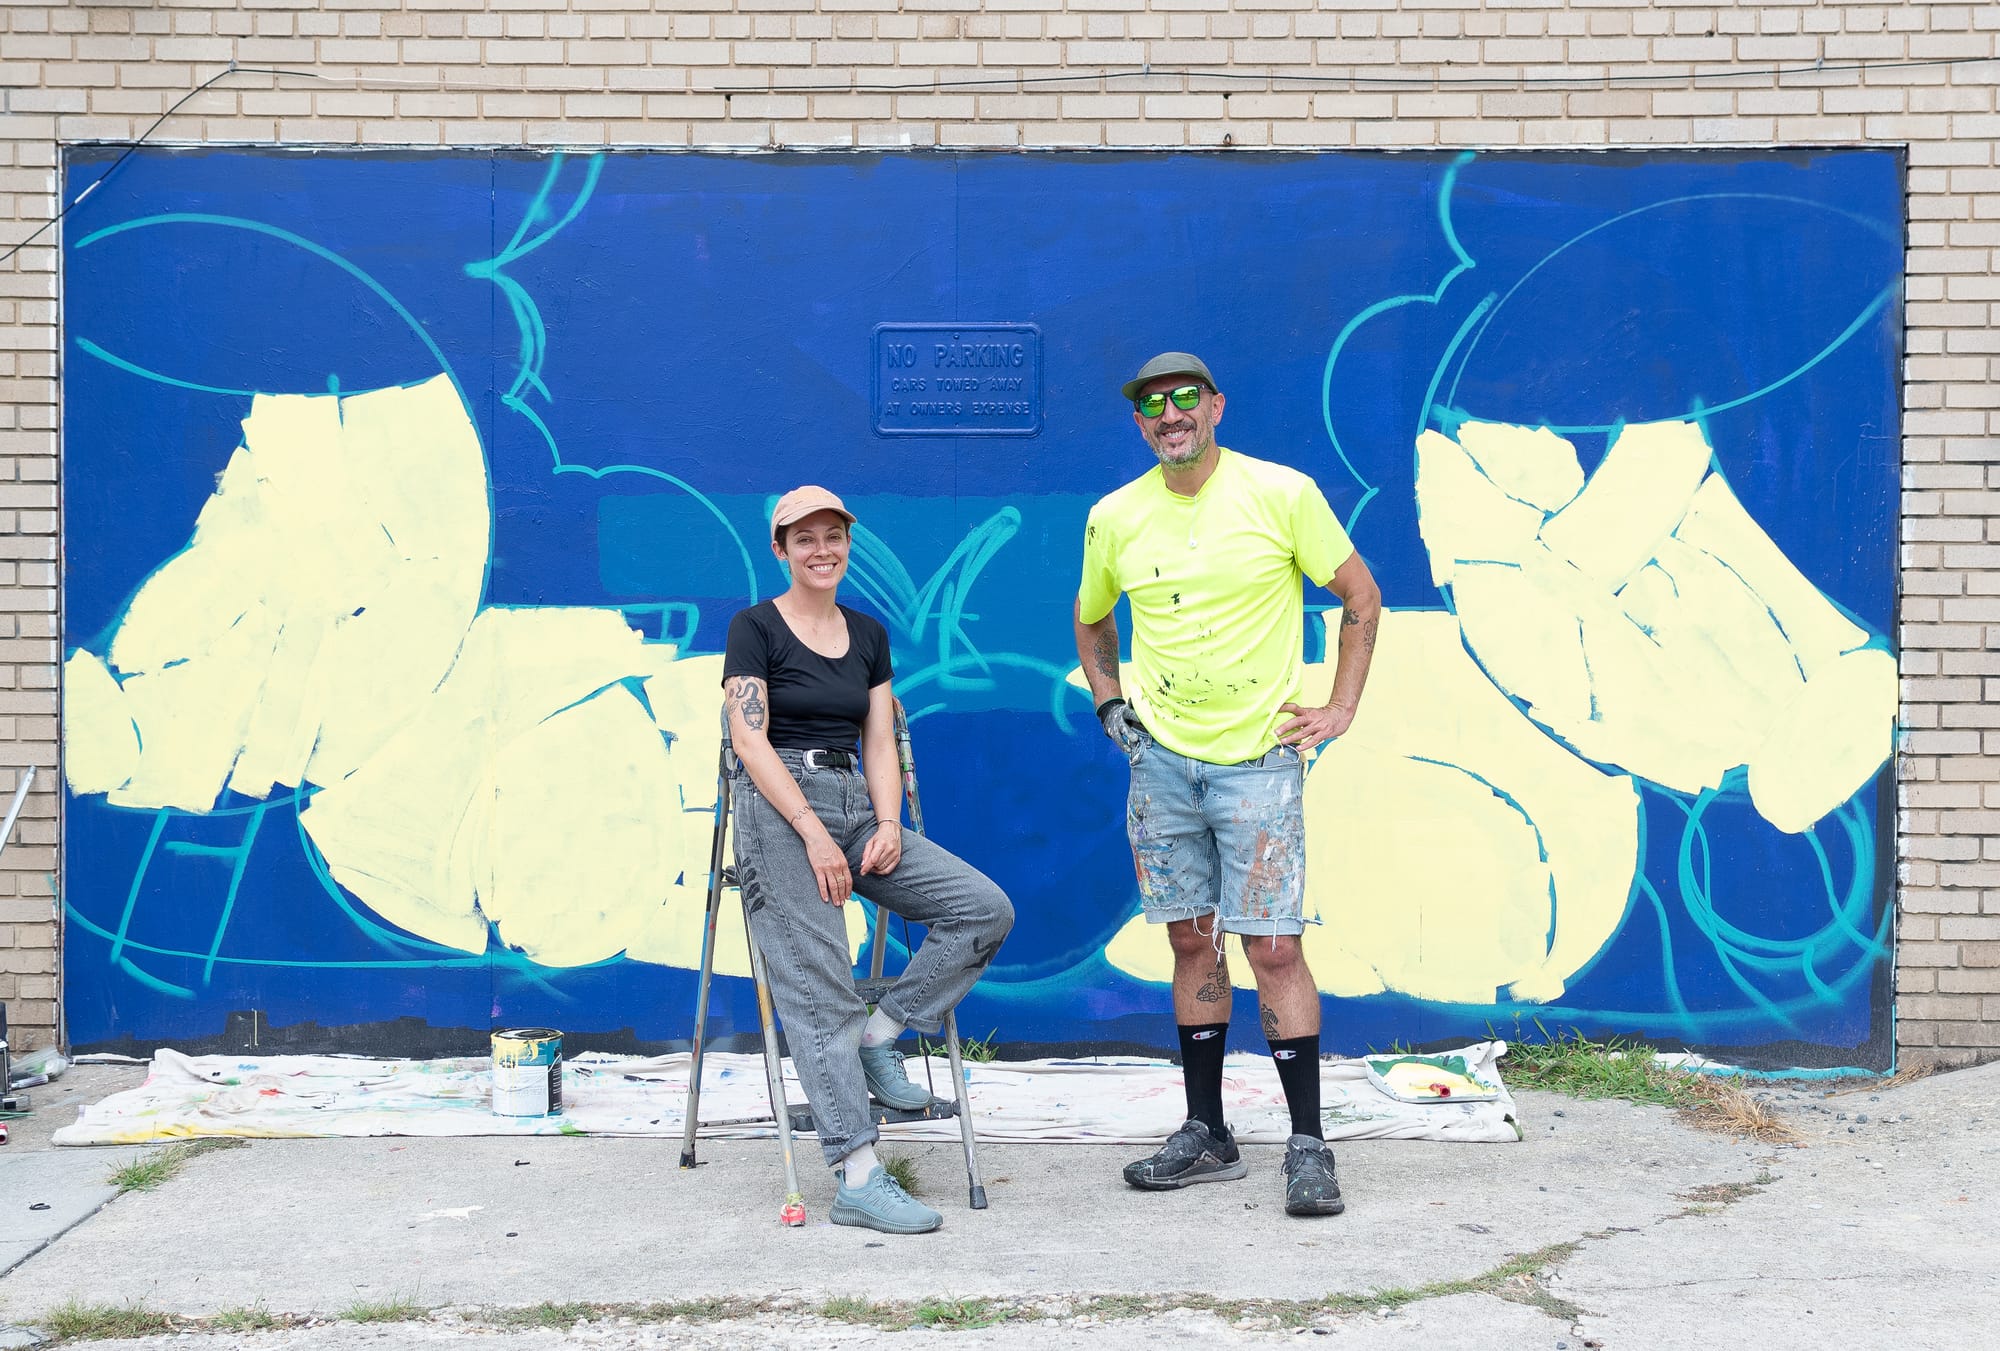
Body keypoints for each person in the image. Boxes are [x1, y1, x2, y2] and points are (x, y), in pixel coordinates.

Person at [1072, 352, 1381, 1217]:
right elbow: (1091, 616)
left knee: (1273, 947)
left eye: (1183, 399)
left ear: (1215, 404)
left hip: (1259, 763)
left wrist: (1341, 705)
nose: (1169, 414)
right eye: (1151, 405)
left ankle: (1309, 1144)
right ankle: (1207, 1130)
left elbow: (1361, 596)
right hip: (1162, 763)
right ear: (1141, 423)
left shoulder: (1280, 493)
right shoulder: (1115, 516)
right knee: (1190, 945)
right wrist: (1110, 702)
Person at [722, 485, 1014, 1235]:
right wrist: (812, 833)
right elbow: (750, 740)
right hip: (779, 808)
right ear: (781, 549)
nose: (823, 550)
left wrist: (885, 822)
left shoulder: (868, 633)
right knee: (819, 987)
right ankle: (857, 1174)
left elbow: (879, 738)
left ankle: (880, 1035)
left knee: (982, 908)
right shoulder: (754, 628)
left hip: (857, 803)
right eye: (805, 538)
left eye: (834, 536)